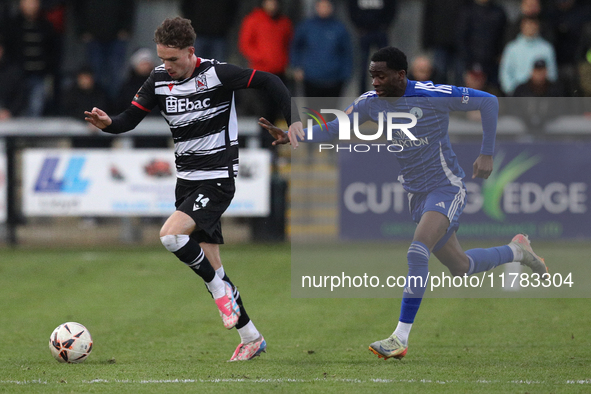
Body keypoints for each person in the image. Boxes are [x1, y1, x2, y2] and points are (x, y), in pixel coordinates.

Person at [260, 46, 548, 360]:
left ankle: (400, 338)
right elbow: (337, 126)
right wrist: (295, 135)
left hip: (446, 188)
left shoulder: (431, 94)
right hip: (416, 194)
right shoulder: (370, 104)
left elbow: (488, 101)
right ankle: (518, 250)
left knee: (417, 249)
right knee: (461, 266)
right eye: (372, 75)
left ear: (401, 75)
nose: (375, 81)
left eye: (381, 75)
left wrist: (487, 152)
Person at [84, 17, 303, 361]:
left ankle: (221, 294)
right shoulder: (158, 79)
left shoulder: (216, 74)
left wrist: (295, 123)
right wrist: (109, 124)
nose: (166, 66)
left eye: (173, 59)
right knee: (212, 267)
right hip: (186, 181)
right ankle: (251, 338)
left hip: (217, 178)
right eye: (162, 58)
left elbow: (270, 81)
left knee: (171, 236)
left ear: (190, 51)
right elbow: (129, 118)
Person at [290, 0, 353, 98]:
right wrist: (296, 66)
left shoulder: (339, 28)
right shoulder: (306, 26)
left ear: (331, 8)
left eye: (326, 6)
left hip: (334, 80)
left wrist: (345, 74)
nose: (324, 9)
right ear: (316, 7)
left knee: (331, 111)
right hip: (311, 78)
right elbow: (296, 46)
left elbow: (346, 52)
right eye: (321, 6)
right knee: (313, 112)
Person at [499, 16, 557, 96]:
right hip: (517, 95)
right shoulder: (512, 48)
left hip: (542, 95)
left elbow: (552, 74)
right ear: (522, 26)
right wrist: (512, 92)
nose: (530, 27)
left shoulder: (546, 48)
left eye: (533, 24)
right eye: (527, 24)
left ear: (538, 26)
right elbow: (505, 73)